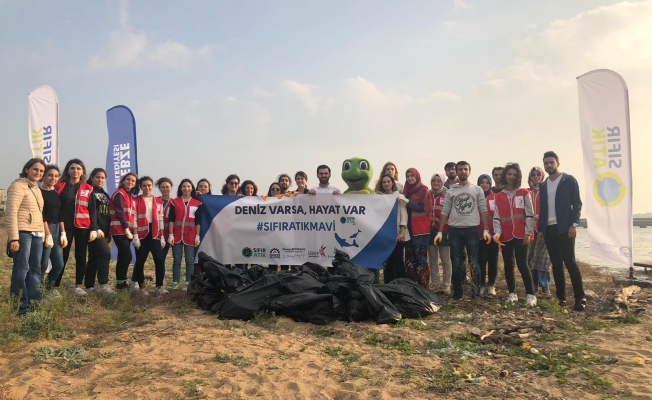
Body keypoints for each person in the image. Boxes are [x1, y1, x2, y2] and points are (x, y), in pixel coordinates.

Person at [434, 161, 491, 300]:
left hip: (472, 230)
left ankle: (476, 292)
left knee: (474, 262)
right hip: (455, 231)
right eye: (460, 169)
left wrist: (486, 230)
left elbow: (483, 210)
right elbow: (445, 211)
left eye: (465, 169)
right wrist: (440, 232)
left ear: (469, 171)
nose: (463, 171)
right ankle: (458, 292)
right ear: (457, 171)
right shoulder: (451, 191)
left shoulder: (477, 190)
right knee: (457, 262)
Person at [537, 151, 586, 311]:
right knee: (556, 265)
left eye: (551, 162)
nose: (549, 165)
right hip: (549, 228)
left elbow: (577, 203)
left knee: (570, 263)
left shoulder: (568, 180)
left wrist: (573, 224)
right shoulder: (543, 185)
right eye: (546, 163)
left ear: (558, 163)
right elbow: (543, 209)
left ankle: (580, 298)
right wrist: (541, 230)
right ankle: (561, 299)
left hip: (565, 227)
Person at [492, 163, 537, 306]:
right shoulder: (498, 197)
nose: (511, 177)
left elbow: (530, 214)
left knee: (522, 264)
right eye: (509, 174)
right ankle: (512, 293)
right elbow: (497, 217)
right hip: (505, 236)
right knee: (508, 265)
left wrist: (528, 233)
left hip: (521, 234)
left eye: (514, 174)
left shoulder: (524, 193)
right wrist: (497, 233)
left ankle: (531, 294)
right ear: (505, 175)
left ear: (518, 177)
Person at [7, 158, 45, 315]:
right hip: (23, 233)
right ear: (27, 169)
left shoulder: (36, 188)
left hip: (36, 233)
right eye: (35, 169)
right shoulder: (18, 186)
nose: (38, 173)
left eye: (41, 171)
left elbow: (39, 213)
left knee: (35, 270)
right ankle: (20, 307)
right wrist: (14, 238)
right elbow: (11, 213)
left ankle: (33, 304)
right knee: (21, 270)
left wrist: (42, 233)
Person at [53, 159, 93, 296]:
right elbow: (56, 206)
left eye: (78, 168)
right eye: (72, 168)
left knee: (81, 255)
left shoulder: (88, 188)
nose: (75, 171)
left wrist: (93, 228)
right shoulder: (60, 186)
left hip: (83, 226)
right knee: (62, 255)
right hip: (64, 227)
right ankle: (55, 286)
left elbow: (92, 210)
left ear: (82, 171)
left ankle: (78, 286)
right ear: (68, 170)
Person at [398, 168, 433, 289]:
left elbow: (423, 208)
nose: (410, 178)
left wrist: (407, 201)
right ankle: (411, 287)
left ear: (417, 176)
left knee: (421, 260)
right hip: (408, 231)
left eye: (412, 175)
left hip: (421, 231)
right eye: (407, 176)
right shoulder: (406, 191)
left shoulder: (424, 190)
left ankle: (423, 288)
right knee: (409, 261)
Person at [132, 176, 167, 295]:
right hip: (142, 235)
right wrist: (135, 236)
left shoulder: (158, 201)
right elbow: (134, 219)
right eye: (144, 186)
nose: (147, 188)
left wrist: (162, 236)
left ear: (152, 186)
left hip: (155, 234)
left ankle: (159, 286)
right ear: (140, 187)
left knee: (159, 259)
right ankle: (142, 287)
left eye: (149, 185)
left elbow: (161, 218)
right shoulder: (136, 201)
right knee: (140, 261)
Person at [168, 179, 202, 290]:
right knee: (177, 260)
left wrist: (197, 236)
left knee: (190, 260)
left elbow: (198, 221)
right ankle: (175, 282)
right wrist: (170, 234)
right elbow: (171, 219)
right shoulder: (175, 202)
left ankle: (188, 282)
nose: (186, 188)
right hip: (177, 235)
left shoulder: (197, 203)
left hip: (190, 235)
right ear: (181, 188)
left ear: (192, 188)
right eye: (184, 186)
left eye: (188, 186)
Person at [85, 168, 113, 294]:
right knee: (105, 253)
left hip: (104, 231)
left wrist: (108, 232)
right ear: (92, 178)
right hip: (94, 230)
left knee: (94, 257)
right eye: (97, 177)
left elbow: (107, 214)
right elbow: (92, 211)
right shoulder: (89, 191)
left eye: (102, 178)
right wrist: (94, 228)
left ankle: (89, 285)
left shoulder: (105, 194)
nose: (100, 180)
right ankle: (103, 284)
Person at [110, 172, 139, 290]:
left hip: (127, 232)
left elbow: (132, 216)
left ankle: (120, 283)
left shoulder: (131, 197)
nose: (130, 182)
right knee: (127, 256)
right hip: (119, 230)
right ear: (123, 181)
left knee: (123, 256)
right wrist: (126, 229)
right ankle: (121, 282)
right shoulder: (119, 194)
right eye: (128, 180)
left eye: (133, 181)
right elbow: (120, 212)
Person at [39, 165, 64, 297]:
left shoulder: (55, 192)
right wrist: (47, 234)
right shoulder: (39, 192)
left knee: (59, 265)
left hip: (56, 230)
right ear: (43, 176)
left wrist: (63, 233)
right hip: (45, 230)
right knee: (42, 266)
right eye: (50, 175)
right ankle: (37, 294)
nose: (53, 178)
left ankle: (46, 289)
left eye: (56, 176)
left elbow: (60, 214)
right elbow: (41, 214)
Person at [527, 166, 552, 295]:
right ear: (530, 177)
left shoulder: (546, 190)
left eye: (538, 174)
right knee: (530, 257)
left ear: (542, 176)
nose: (536, 177)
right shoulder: (526, 192)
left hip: (544, 228)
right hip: (529, 229)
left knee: (543, 258)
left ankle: (545, 285)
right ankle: (533, 284)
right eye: (533, 174)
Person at [380, 174, 409, 283]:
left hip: (397, 235)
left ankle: (401, 285)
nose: (386, 184)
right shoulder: (380, 198)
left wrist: (401, 232)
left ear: (392, 183)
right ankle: (388, 285)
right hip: (385, 236)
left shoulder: (399, 197)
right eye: (384, 182)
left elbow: (403, 215)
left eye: (388, 181)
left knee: (398, 260)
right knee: (387, 262)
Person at [427, 173, 452, 294]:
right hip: (430, 231)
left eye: (438, 181)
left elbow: (451, 214)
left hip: (444, 230)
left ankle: (446, 284)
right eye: (434, 181)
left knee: (445, 259)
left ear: (442, 182)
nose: (436, 183)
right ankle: (435, 283)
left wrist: (449, 231)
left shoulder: (448, 195)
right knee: (432, 259)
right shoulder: (427, 194)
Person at [477, 173, 499, 297]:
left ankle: (491, 285)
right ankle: (481, 285)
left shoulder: (496, 197)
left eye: (487, 183)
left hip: (493, 234)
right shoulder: (475, 197)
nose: (484, 185)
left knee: (493, 260)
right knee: (481, 260)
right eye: (482, 182)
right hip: (479, 234)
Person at [156, 177, 174, 260]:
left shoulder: (175, 202)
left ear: (171, 188)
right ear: (159, 189)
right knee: (159, 259)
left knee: (163, 259)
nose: (165, 189)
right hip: (156, 234)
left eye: (167, 187)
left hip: (170, 234)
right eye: (162, 187)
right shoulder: (155, 201)